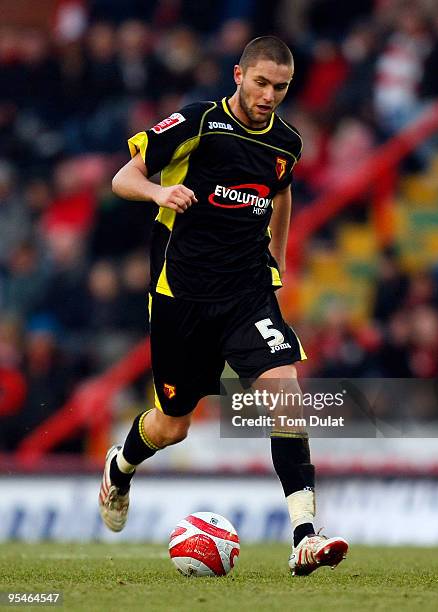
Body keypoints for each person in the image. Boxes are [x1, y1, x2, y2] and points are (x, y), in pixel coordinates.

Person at [98, 36, 348, 575]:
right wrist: (160, 194)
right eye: (261, 83)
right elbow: (123, 178)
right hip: (181, 296)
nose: (269, 96)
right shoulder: (198, 124)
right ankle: (120, 468)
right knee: (172, 426)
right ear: (238, 75)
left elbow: (281, 193)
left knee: (286, 393)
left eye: (280, 87)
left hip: (246, 293)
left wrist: (276, 261)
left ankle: (304, 534)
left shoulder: (285, 144)